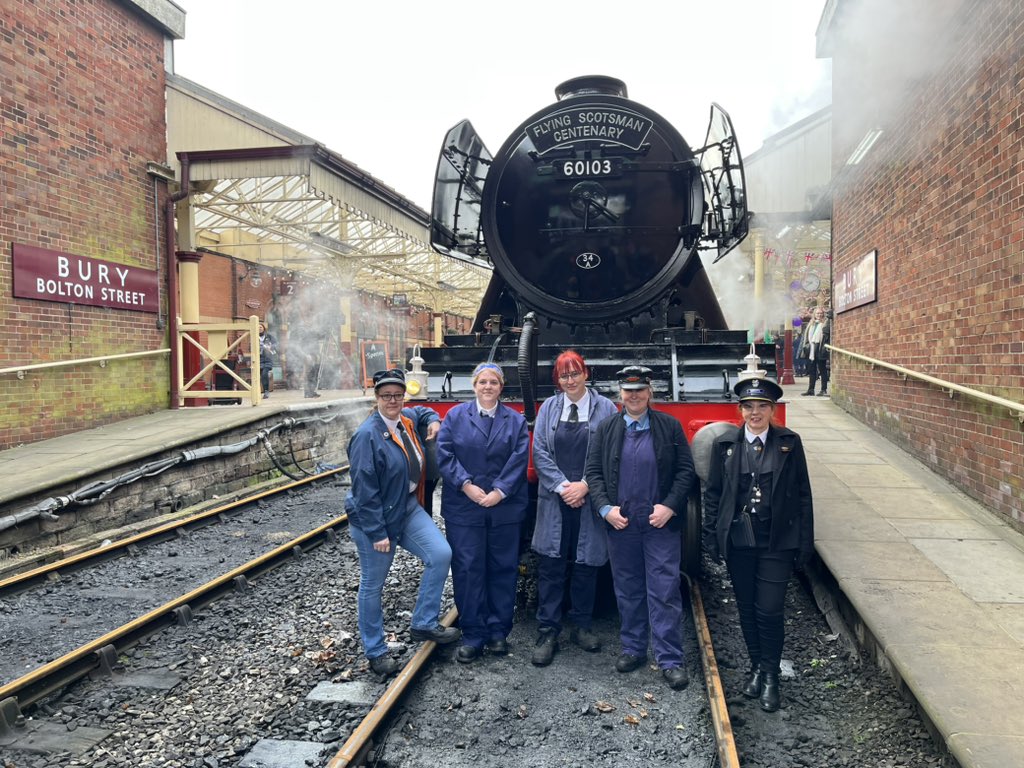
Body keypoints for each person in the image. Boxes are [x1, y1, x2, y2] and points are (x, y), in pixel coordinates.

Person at [701, 378, 814, 712]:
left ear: (772, 410)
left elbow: (803, 494)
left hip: (776, 540)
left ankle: (772, 676)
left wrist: (805, 541)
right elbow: (714, 495)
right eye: (749, 406)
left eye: (762, 406)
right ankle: (757, 669)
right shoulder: (725, 445)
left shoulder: (789, 443)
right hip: (739, 541)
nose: (755, 412)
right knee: (747, 608)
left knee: (769, 609)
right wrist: (710, 536)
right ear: (740, 410)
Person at [584, 365, 696, 691]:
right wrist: (605, 508)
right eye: (628, 391)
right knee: (628, 588)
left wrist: (670, 506)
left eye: (640, 390)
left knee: (664, 590)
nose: (634, 396)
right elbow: (593, 472)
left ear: (650, 392)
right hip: (622, 523)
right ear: (620, 394)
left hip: (659, 522)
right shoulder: (606, 429)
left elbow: (686, 472)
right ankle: (633, 648)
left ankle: (670, 658)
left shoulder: (669, 427)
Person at [345, 369, 461, 677]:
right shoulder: (367, 436)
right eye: (387, 396)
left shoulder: (404, 420)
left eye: (398, 395)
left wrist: (432, 419)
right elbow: (363, 490)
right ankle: (375, 650)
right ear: (377, 399)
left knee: (440, 554)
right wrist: (376, 531)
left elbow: (422, 410)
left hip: (406, 508)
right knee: (373, 584)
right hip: (377, 518)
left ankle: (423, 623)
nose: (393, 400)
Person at [529, 350, 619, 666]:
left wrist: (584, 485)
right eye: (564, 375)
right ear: (559, 380)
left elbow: (610, 451)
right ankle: (548, 630)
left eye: (575, 373)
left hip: (589, 496)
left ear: (586, 374)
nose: (570, 380)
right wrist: (563, 487)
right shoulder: (549, 408)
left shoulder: (606, 408)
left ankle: (581, 625)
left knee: (586, 562)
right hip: (556, 497)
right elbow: (539, 451)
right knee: (551, 564)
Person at [437, 362, 530, 663]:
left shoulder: (514, 421)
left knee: (503, 568)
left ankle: (498, 632)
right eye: (483, 382)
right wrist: (466, 485)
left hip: (504, 507)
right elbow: (445, 453)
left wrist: (499, 491)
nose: (488, 387)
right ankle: (473, 634)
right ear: (474, 385)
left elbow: (519, 457)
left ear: (501, 387)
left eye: (494, 382)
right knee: (468, 569)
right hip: (465, 506)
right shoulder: (455, 416)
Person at [798, 306, 831, 396]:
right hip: (811, 349)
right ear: (814, 315)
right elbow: (806, 337)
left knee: (822, 369)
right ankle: (810, 390)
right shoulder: (811, 324)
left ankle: (823, 390)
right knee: (811, 370)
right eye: (817, 313)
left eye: (821, 313)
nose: (819, 315)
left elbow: (827, 335)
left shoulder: (826, 323)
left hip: (820, 348)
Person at [257, 322, 276, 399]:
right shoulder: (255, 337)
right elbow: (250, 347)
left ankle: (266, 391)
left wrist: (270, 347)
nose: (259, 329)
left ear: (264, 328)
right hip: (259, 359)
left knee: (265, 373)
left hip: (268, 359)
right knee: (262, 376)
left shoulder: (269, 337)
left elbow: (275, 344)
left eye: (260, 327)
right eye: (258, 327)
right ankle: (263, 391)